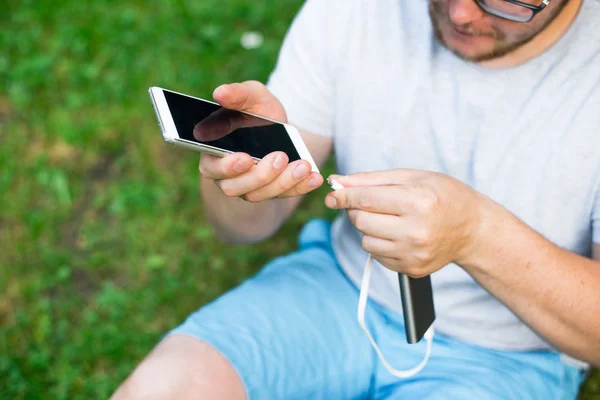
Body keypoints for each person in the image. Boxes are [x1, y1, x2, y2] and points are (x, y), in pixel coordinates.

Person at [112, 0, 600, 398]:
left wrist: (476, 235)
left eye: (507, 0)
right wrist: (237, 179)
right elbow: (242, 228)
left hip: (506, 355)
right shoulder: (356, 10)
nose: (461, 15)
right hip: (341, 288)